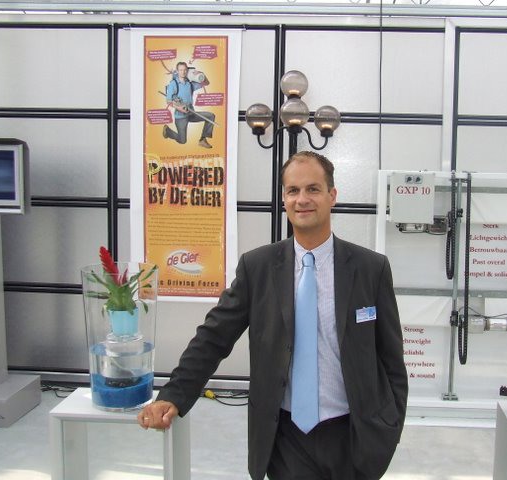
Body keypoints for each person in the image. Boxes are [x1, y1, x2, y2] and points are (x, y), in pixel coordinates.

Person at [137, 151, 408, 480]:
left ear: (332, 195)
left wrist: (390, 425)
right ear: (284, 199)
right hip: (285, 437)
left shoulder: (370, 269)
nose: (302, 199)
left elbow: (391, 359)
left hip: (354, 436)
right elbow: (213, 337)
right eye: (293, 190)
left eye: (313, 189)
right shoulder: (258, 268)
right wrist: (173, 394)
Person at [163, 61, 216, 149]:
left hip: (191, 113)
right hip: (181, 117)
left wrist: (201, 74)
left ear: (187, 71)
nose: (183, 72)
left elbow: (206, 83)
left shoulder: (190, 84)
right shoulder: (173, 84)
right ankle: (168, 131)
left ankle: (202, 140)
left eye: (185, 70)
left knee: (211, 116)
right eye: (181, 70)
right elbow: (168, 101)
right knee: (182, 141)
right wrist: (179, 108)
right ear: (177, 71)